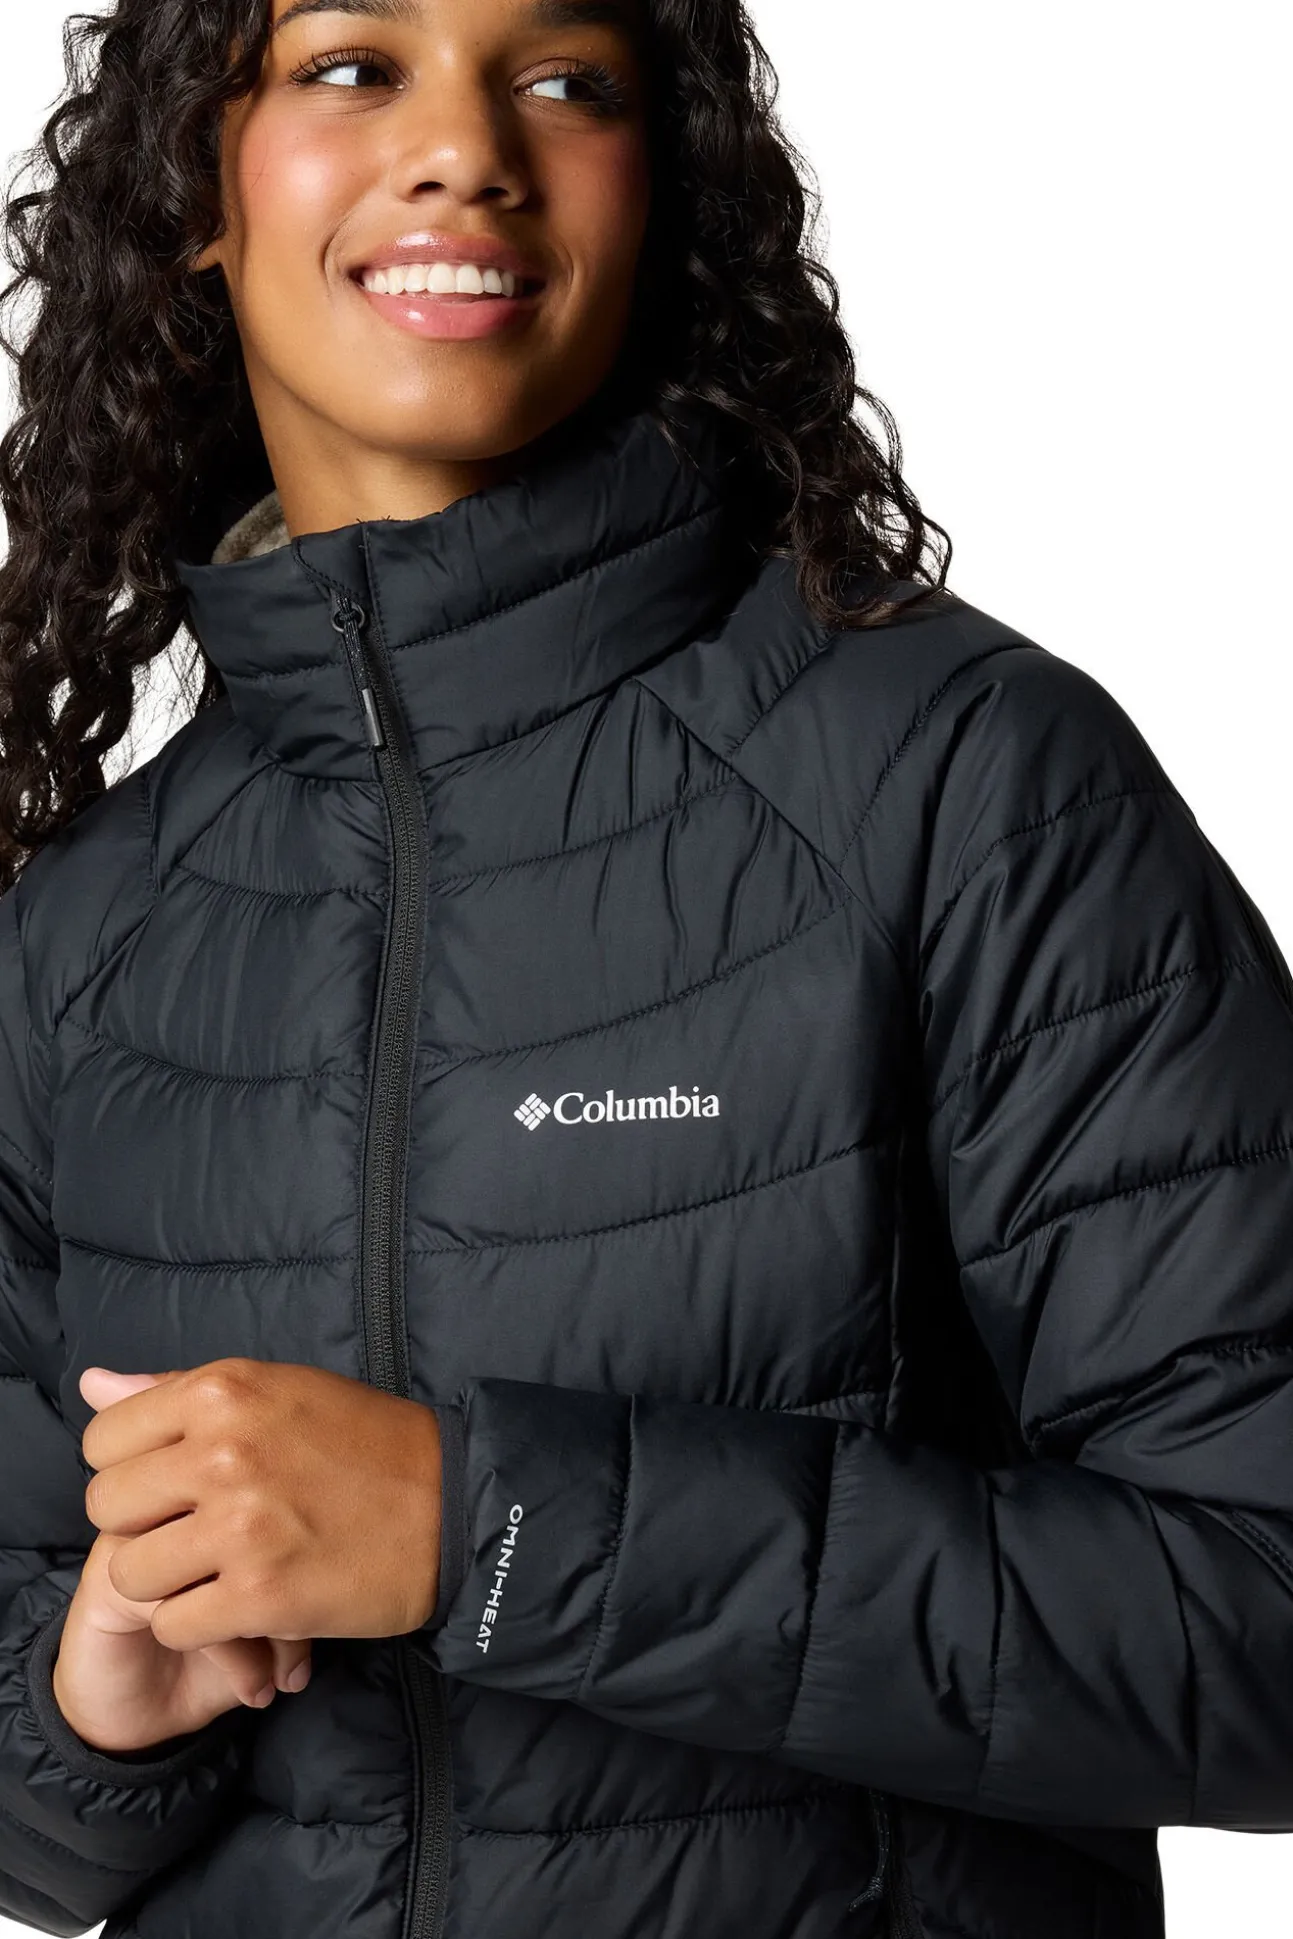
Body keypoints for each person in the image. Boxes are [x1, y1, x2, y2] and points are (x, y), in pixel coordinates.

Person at [0, 0, 1290, 1935]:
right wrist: (89, 1708)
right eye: (353, 65)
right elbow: (38, 1829)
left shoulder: (959, 783)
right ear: (197, 181)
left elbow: (1262, 1615)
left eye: (564, 82)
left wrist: (491, 1531)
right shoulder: (90, 926)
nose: (467, 148)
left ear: (661, 186)